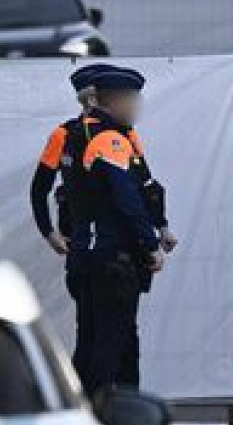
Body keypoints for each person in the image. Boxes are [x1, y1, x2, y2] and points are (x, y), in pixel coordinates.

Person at [61, 65, 166, 393]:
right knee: (111, 343)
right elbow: (126, 199)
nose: (137, 107)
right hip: (111, 257)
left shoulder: (78, 135)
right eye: (133, 99)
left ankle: (95, 412)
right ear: (114, 101)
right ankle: (115, 414)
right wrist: (150, 245)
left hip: (87, 254)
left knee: (94, 339)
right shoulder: (109, 140)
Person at [33, 65, 179, 256]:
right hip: (87, 236)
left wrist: (161, 226)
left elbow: (145, 183)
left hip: (125, 236)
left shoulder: (125, 134)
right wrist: (49, 232)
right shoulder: (64, 135)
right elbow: (39, 188)